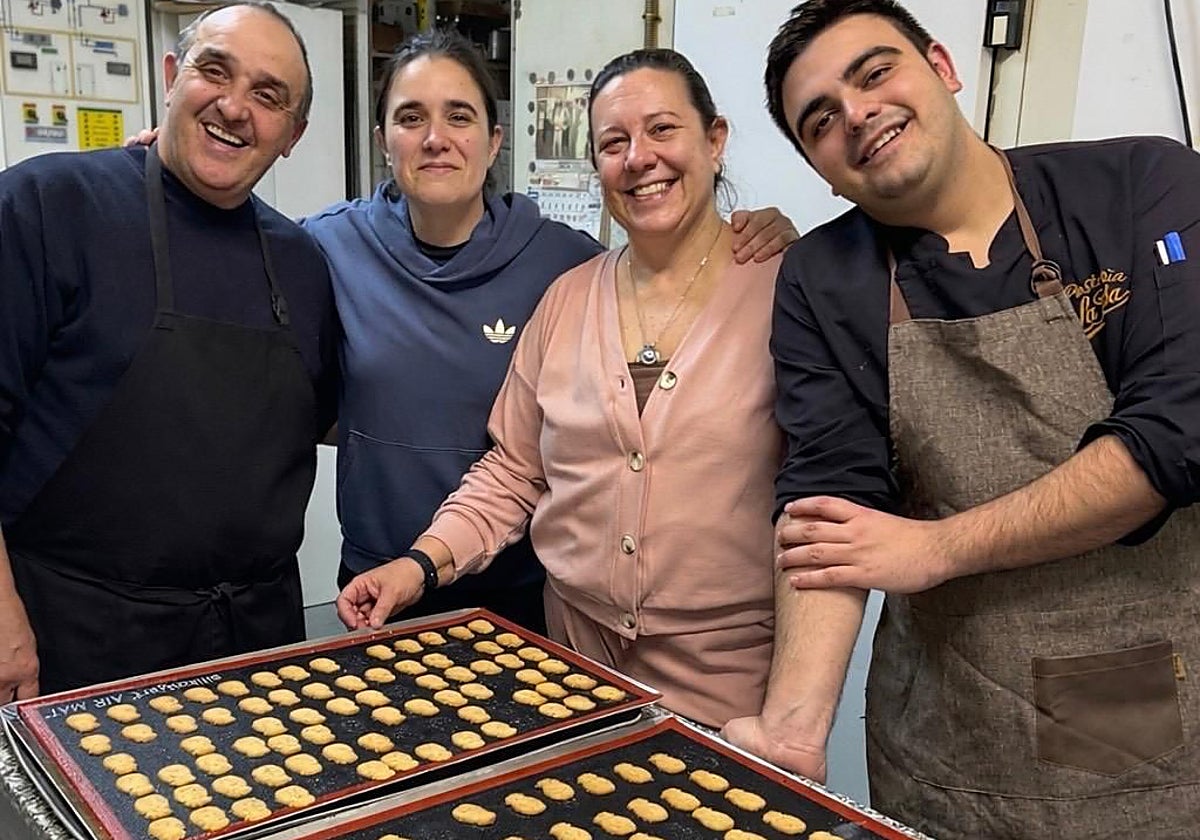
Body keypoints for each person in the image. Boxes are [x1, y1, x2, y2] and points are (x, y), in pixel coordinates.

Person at [724, 0, 1200, 835]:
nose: (858, 114)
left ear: (943, 66)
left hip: (1132, 692)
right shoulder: (823, 279)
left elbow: (1176, 437)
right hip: (947, 719)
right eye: (822, 120)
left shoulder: (1141, 186)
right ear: (820, 170)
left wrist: (934, 547)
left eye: (875, 73)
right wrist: (794, 726)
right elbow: (828, 501)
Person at [336, 47, 786, 729]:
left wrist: (798, 712)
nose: (639, 158)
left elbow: (829, 502)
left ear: (714, 139)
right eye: (614, 142)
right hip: (572, 667)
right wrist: (419, 567)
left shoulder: (790, 293)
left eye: (663, 129)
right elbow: (515, 470)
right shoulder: (569, 297)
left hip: (729, 680)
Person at [0, 1, 338, 700]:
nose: (235, 107)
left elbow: (319, 415)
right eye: (215, 71)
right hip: (77, 641)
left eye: (268, 96)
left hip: (258, 649)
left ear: (293, 135)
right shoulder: (48, 206)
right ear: (171, 75)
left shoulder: (302, 262)